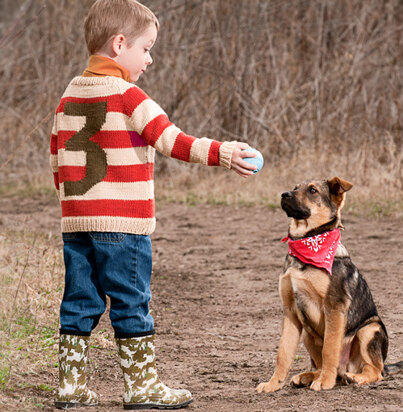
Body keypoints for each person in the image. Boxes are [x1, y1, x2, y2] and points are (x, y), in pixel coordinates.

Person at [50, 0, 257, 409]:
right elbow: (172, 140)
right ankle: (141, 387)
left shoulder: (68, 96)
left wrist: (71, 205)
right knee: (131, 302)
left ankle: (70, 386)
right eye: (146, 48)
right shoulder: (130, 97)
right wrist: (222, 152)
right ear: (120, 43)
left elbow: (56, 158)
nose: (150, 58)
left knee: (79, 300)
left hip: (77, 223)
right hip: (123, 226)